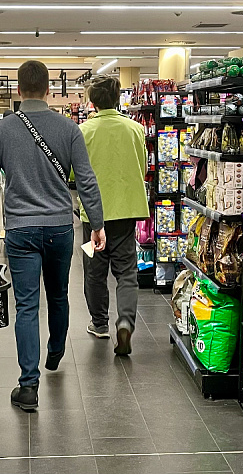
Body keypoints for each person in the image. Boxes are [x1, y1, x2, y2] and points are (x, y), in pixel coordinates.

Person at [0, 60, 106, 411]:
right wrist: (98, 223)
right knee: (58, 295)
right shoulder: (69, 129)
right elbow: (87, 180)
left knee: (27, 306)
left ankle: (28, 386)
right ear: (49, 90)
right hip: (60, 226)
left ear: (18, 90)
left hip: (19, 229)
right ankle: (56, 350)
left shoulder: (0, 132)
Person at [78, 75, 149, 356]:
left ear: (92, 101)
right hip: (126, 212)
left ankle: (100, 323)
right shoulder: (135, 129)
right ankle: (126, 322)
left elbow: (74, 173)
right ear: (119, 99)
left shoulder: (83, 131)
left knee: (95, 273)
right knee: (127, 273)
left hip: (94, 214)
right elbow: (142, 167)